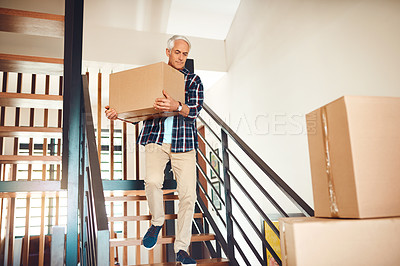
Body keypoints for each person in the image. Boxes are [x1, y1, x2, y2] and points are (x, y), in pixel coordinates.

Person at [105, 35, 203, 265]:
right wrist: (117, 113)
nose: (181, 57)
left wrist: (177, 106)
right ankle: (157, 222)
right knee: (152, 181)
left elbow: (196, 109)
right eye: (177, 52)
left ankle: (181, 248)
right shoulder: (152, 77)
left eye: (184, 54)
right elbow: (136, 111)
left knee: (189, 195)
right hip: (155, 140)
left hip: (184, 143)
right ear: (168, 52)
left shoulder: (193, 80)